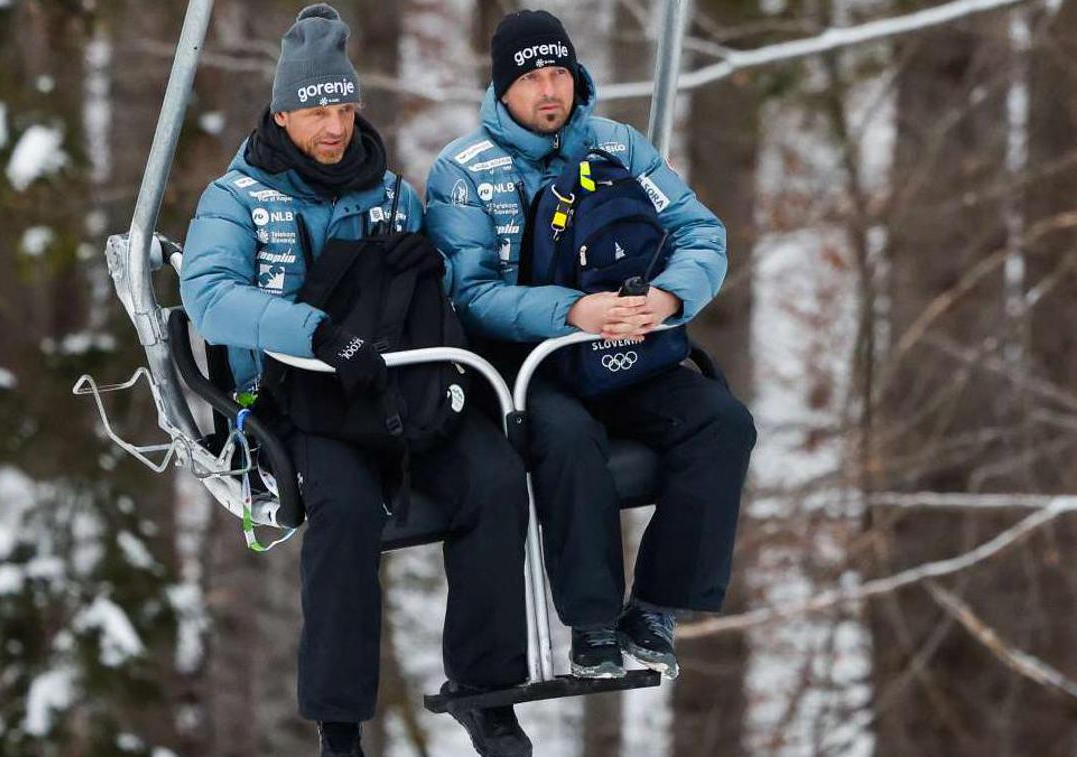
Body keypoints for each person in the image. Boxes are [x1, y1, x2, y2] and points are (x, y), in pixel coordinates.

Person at [180, 6, 534, 756]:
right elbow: (208, 295)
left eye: (344, 108)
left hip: (393, 389)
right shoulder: (239, 199)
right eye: (316, 112)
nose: (335, 127)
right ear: (282, 114)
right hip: (295, 401)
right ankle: (339, 724)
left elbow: (433, 294)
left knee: (497, 479)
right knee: (343, 511)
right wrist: (314, 333)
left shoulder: (390, 192)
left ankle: (487, 690)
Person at [425, 9, 756, 681]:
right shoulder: (463, 172)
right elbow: (470, 293)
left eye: (559, 75)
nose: (550, 91)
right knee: (570, 440)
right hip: (527, 366)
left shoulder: (620, 146)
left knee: (723, 423)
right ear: (502, 90)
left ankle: (657, 605)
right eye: (532, 80)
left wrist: (666, 299)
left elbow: (701, 232)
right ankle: (595, 619)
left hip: (631, 347)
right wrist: (572, 310)